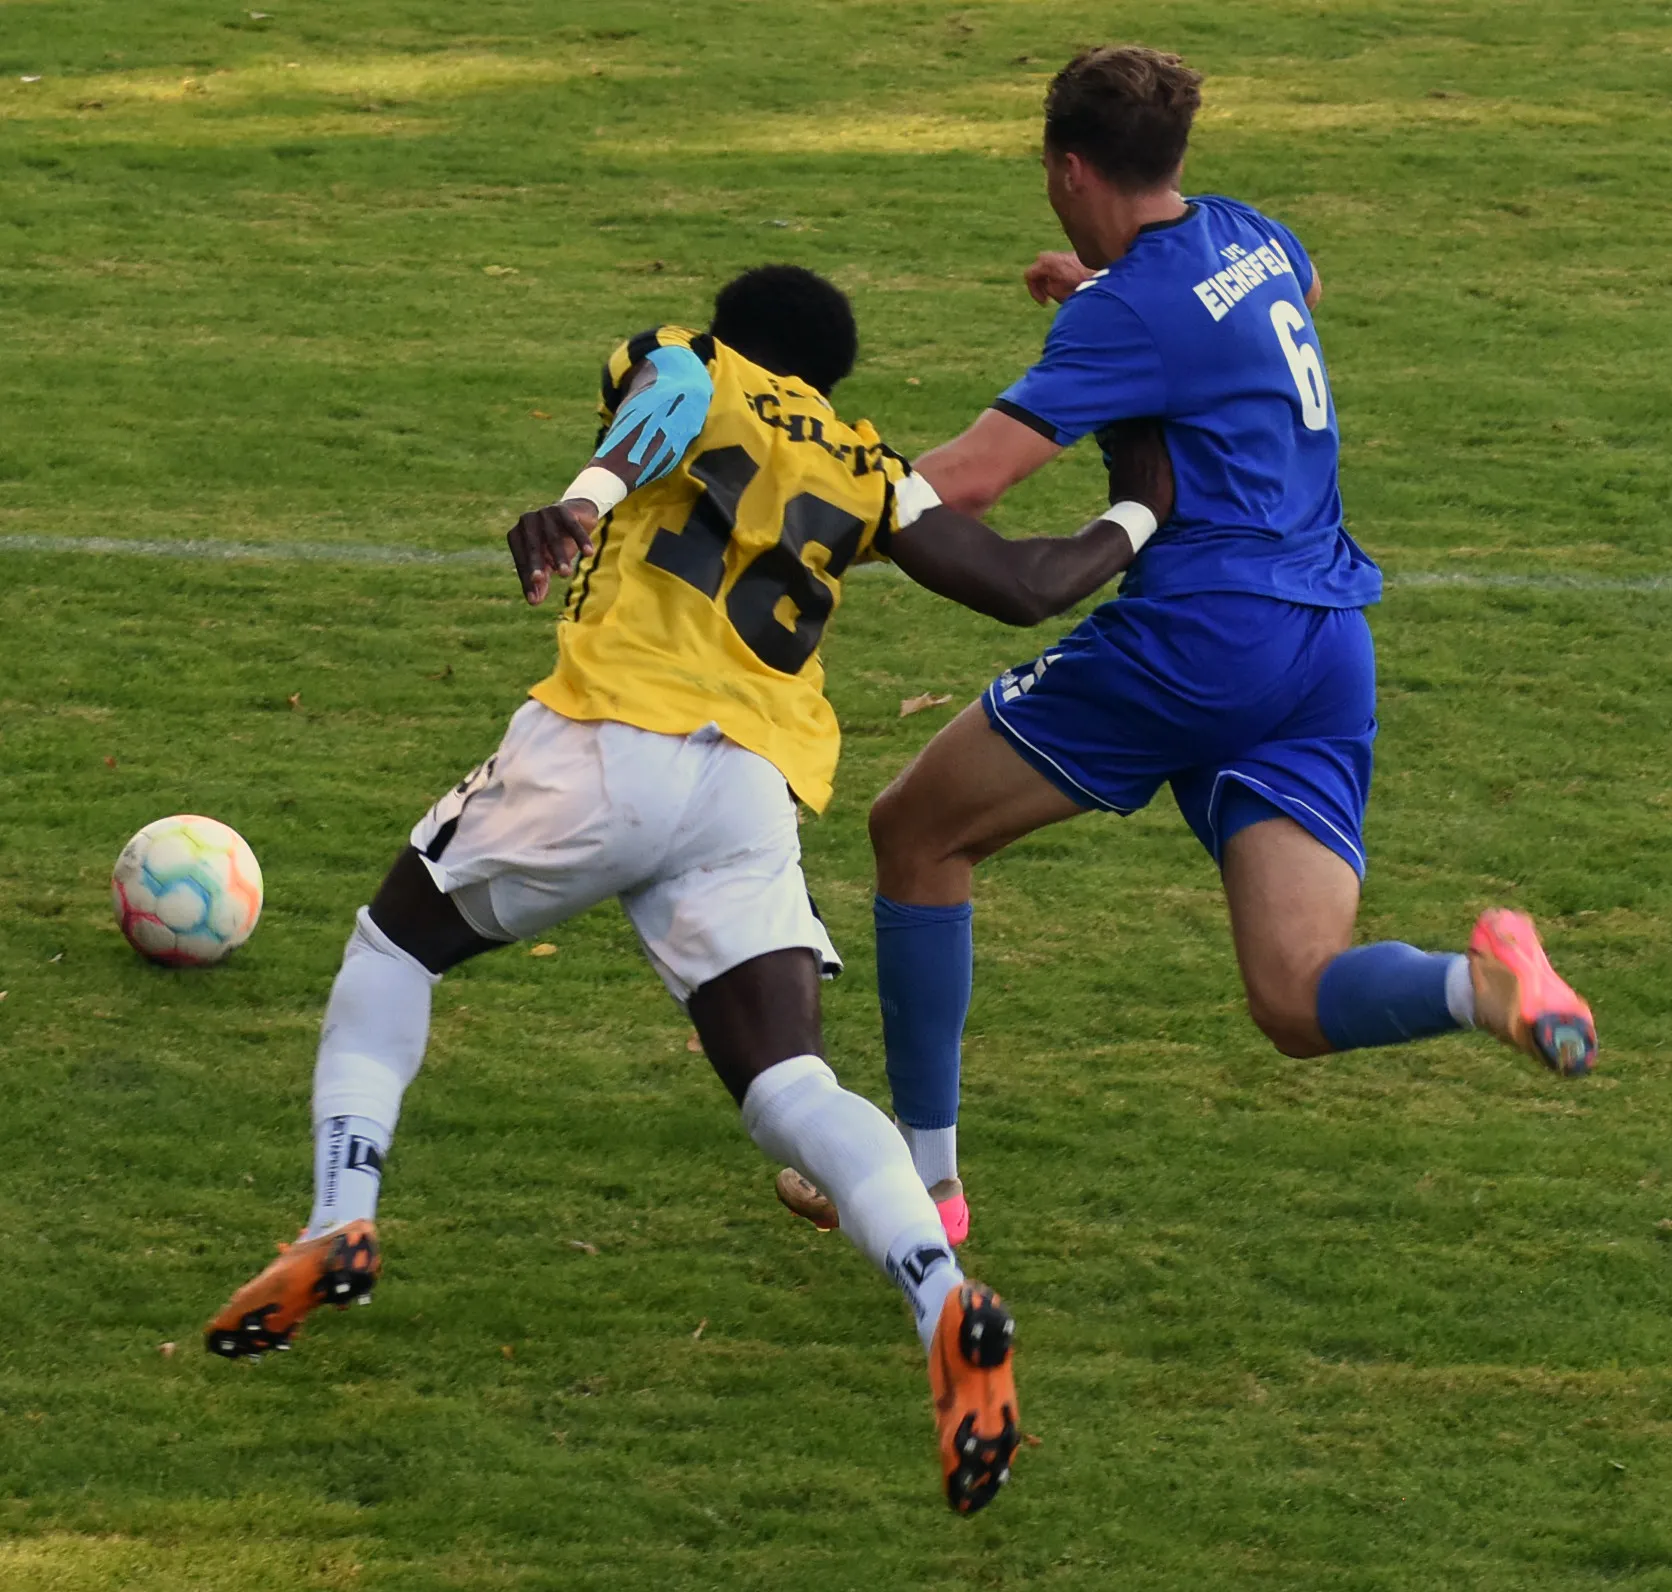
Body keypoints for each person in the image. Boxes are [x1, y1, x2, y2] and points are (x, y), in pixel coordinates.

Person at [202, 263, 1174, 1515]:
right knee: (792, 1084)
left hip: (606, 739)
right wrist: (1141, 506)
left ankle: (339, 1215)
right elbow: (1020, 583)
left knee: (394, 948)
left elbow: (663, 395)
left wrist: (583, 497)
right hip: (749, 788)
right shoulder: (867, 462)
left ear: (733, 331)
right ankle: (940, 1290)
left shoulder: (694, 359)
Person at [774, 46, 1597, 1247]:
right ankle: (1479, 986)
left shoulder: (1131, 310)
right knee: (1295, 995)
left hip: (1200, 638)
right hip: (1324, 645)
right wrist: (1105, 291)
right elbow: (1290, 294)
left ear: (1068, 168)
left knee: (916, 830)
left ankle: (925, 1181)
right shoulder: (1253, 234)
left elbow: (970, 481)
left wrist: (792, 512)